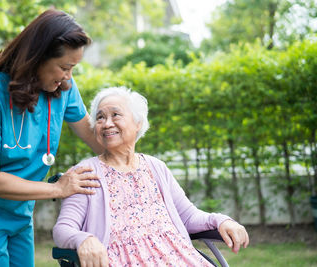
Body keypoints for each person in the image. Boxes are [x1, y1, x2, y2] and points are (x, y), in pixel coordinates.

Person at [0, 9, 103, 267]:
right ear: (37, 57)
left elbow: (95, 138)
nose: (68, 78)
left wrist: (135, 160)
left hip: (19, 208)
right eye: (64, 67)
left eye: (73, 68)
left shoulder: (61, 88)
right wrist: (57, 189)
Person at [53, 87, 249, 267]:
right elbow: (63, 229)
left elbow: (189, 216)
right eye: (100, 117)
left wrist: (222, 221)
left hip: (178, 258)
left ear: (138, 123)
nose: (107, 123)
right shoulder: (85, 172)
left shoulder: (156, 167)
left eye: (115, 115)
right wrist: (84, 239)